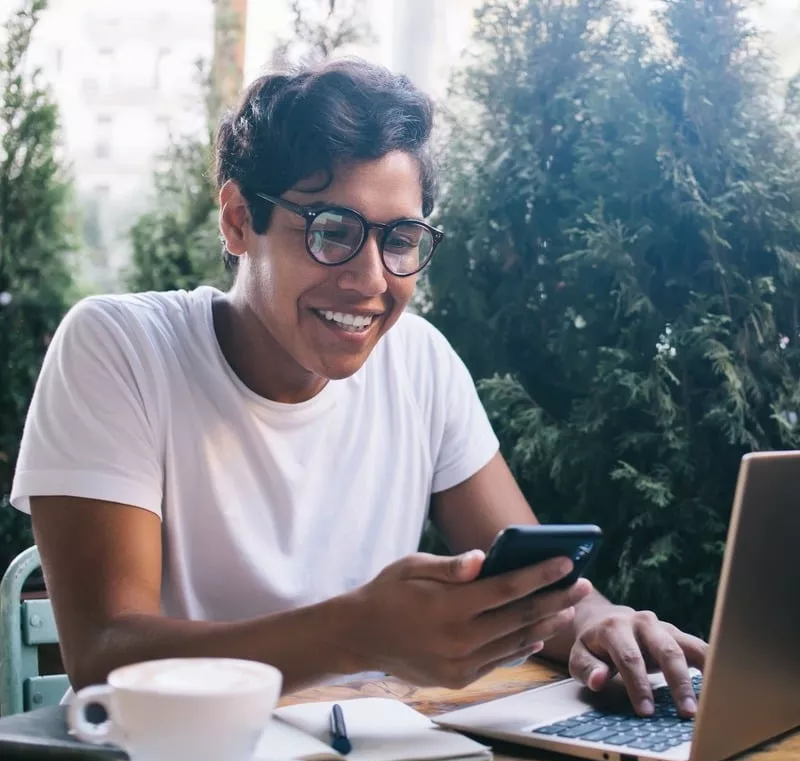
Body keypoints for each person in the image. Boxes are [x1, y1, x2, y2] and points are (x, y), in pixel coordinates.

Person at [11, 59, 705, 718]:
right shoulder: (119, 349)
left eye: (399, 239)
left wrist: (596, 621)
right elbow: (105, 658)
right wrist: (355, 634)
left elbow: (535, 586)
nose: (371, 279)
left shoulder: (420, 361)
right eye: (331, 230)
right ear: (237, 221)